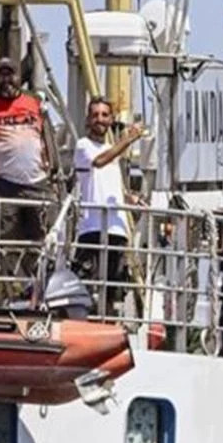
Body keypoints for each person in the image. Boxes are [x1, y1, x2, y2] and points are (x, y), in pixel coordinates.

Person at [0, 57, 55, 244]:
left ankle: (38, 274)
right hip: (4, 185)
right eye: (1, 74)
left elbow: (48, 137)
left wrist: (51, 169)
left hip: (37, 183)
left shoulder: (34, 102)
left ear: (19, 76)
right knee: (6, 246)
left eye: (10, 74)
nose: (6, 80)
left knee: (43, 242)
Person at [73, 96, 143, 297]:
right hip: (92, 228)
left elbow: (109, 182)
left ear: (111, 119)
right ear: (88, 120)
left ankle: (110, 323)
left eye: (104, 115)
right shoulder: (83, 145)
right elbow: (100, 162)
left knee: (115, 292)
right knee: (86, 290)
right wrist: (128, 139)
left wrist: (130, 198)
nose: (100, 119)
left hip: (117, 229)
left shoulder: (112, 151)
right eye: (95, 115)